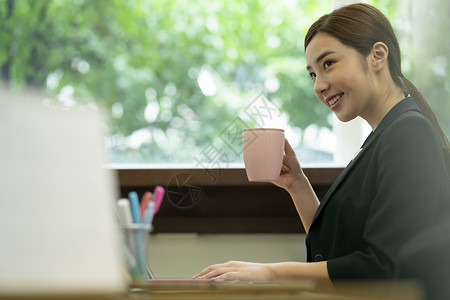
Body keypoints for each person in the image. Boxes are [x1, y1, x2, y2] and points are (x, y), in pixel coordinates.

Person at [193, 3, 450, 298]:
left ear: (377, 55)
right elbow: (339, 255)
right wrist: (297, 184)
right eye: (312, 74)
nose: (318, 86)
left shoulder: (408, 133)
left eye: (328, 64)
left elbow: (383, 269)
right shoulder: (386, 135)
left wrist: (267, 271)